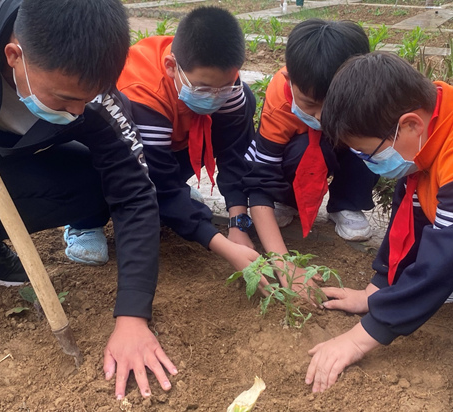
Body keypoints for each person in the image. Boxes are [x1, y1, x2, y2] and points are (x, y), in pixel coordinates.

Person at [0, 0, 176, 399]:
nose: (78, 112)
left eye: (88, 99)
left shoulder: (92, 96)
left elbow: (135, 192)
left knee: (91, 183)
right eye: (64, 100)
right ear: (14, 55)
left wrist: (133, 316)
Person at [65, 7, 260, 273]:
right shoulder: (143, 93)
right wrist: (223, 246)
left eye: (224, 88)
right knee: (123, 181)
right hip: (117, 153)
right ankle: (83, 223)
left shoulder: (227, 85)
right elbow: (155, 177)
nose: (215, 96)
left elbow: (235, 153)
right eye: (203, 88)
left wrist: (238, 224)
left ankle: (178, 198)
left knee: (242, 103)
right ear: (171, 66)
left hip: (164, 146)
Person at [305, 51, 453, 392]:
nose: (367, 163)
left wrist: (360, 338)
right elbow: (411, 218)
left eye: (369, 153)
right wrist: (376, 291)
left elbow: (443, 263)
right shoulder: (429, 134)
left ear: (410, 125)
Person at [243, 19, 379, 252]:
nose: (322, 117)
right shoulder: (279, 104)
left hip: (344, 144)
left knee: (368, 145)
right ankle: (288, 200)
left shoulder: (366, 96)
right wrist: (280, 257)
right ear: (290, 81)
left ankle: (346, 203)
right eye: (310, 104)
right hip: (301, 147)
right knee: (301, 148)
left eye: (333, 106)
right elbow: (262, 173)